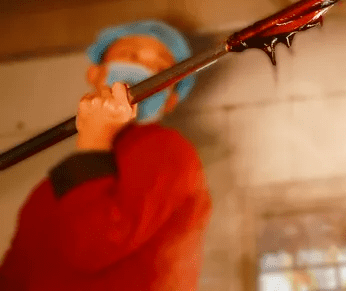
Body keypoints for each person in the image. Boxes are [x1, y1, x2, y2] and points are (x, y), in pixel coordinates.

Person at [0, 20, 212, 290]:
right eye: (131, 56)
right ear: (94, 73)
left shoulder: (168, 151)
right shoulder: (49, 191)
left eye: (161, 68)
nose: (146, 72)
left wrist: (95, 137)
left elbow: (92, 248)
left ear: (171, 99)